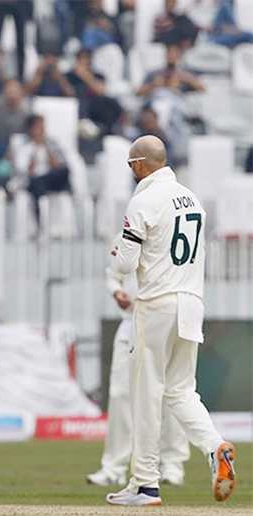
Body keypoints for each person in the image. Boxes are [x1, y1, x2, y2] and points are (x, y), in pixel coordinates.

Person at [105, 135, 236, 506]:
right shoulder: (190, 197)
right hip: (191, 302)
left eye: (131, 165)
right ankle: (215, 447)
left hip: (157, 303)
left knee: (146, 394)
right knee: (181, 391)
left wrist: (119, 253)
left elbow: (126, 264)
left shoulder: (144, 198)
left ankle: (145, 484)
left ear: (138, 165)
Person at [87, 266, 190, 487]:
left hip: (164, 323)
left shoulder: (171, 234)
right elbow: (112, 274)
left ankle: (172, 465)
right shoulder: (124, 235)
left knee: (170, 394)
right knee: (120, 395)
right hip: (130, 326)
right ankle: (114, 468)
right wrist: (116, 291)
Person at [9, 114, 70, 225]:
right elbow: (28, 170)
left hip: (50, 178)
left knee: (64, 171)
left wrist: (46, 146)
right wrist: (36, 149)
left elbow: (57, 165)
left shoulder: (52, 143)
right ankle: (39, 223)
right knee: (37, 183)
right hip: (32, 180)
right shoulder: (24, 145)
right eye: (38, 126)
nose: (41, 129)